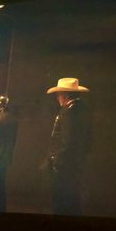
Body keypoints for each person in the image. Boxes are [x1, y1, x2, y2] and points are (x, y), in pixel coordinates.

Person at [46, 77, 91, 215]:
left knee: (61, 201)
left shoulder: (68, 112)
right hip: (76, 163)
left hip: (64, 166)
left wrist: (56, 160)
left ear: (65, 95)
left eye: (58, 94)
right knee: (72, 199)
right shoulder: (83, 109)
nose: (57, 98)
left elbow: (67, 141)